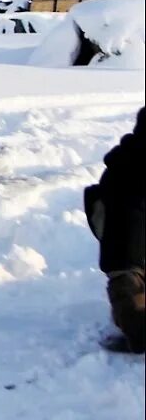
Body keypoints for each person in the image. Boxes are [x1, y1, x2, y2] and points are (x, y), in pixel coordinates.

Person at [84, 107, 144, 352]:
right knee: (127, 277)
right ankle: (136, 318)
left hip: (125, 255)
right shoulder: (125, 175)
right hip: (128, 254)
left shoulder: (122, 165)